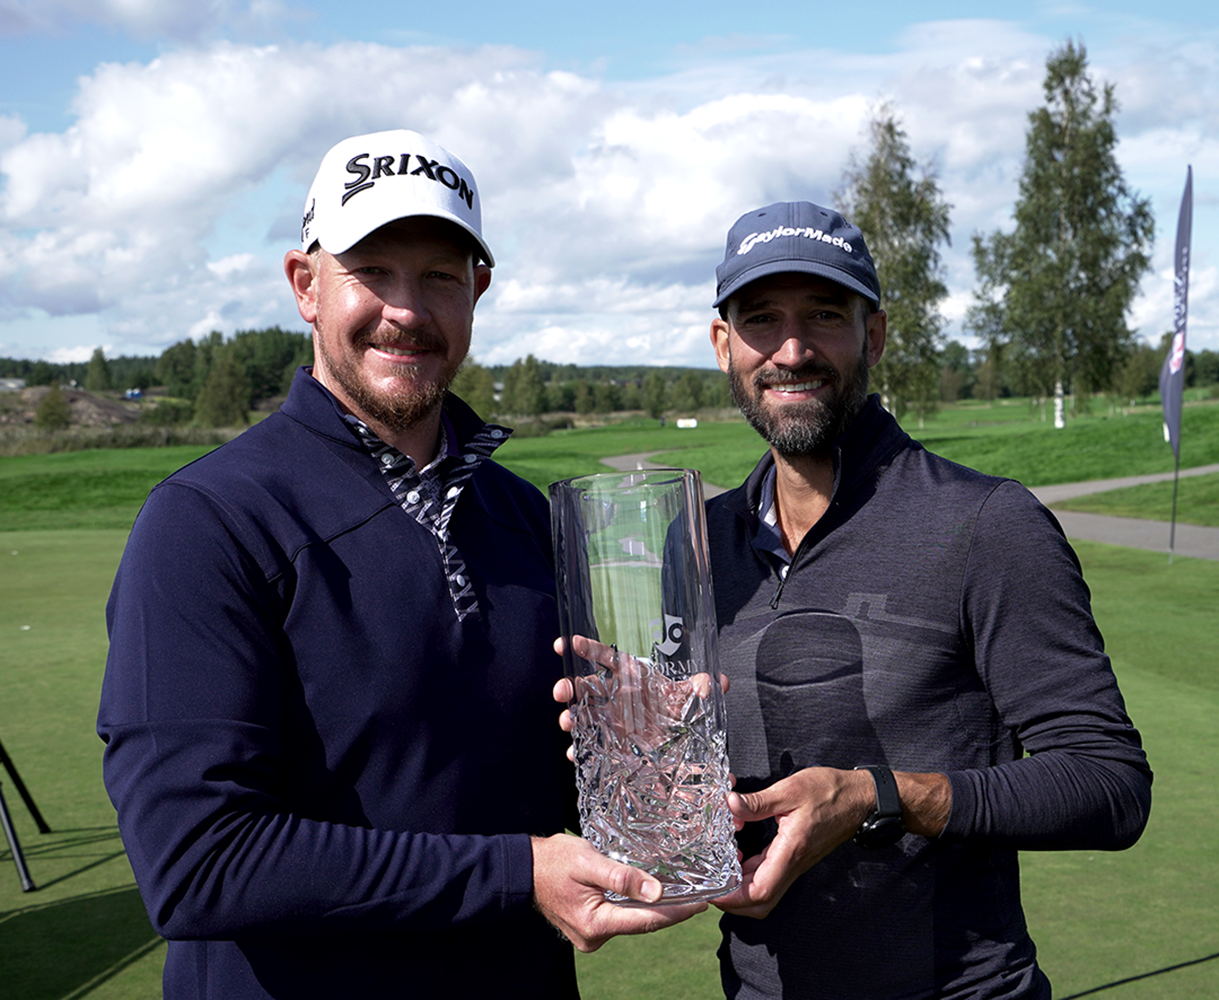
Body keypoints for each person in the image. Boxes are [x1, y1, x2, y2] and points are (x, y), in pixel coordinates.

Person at [97, 129, 701, 1000]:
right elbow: (197, 863)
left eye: (440, 277)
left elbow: (535, 797)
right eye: (372, 271)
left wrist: (653, 756)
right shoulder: (207, 522)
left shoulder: (523, 515)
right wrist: (515, 875)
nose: (407, 309)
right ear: (306, 286)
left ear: (476, 292)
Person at [701, 201, 1153, 999]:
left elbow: (1107, 785)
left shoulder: (985, 523)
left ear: (872, 335)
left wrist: (878, 795)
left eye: (824, 316)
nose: (792, 349)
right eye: (761, 319)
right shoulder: (698, 546)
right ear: (722, 345)